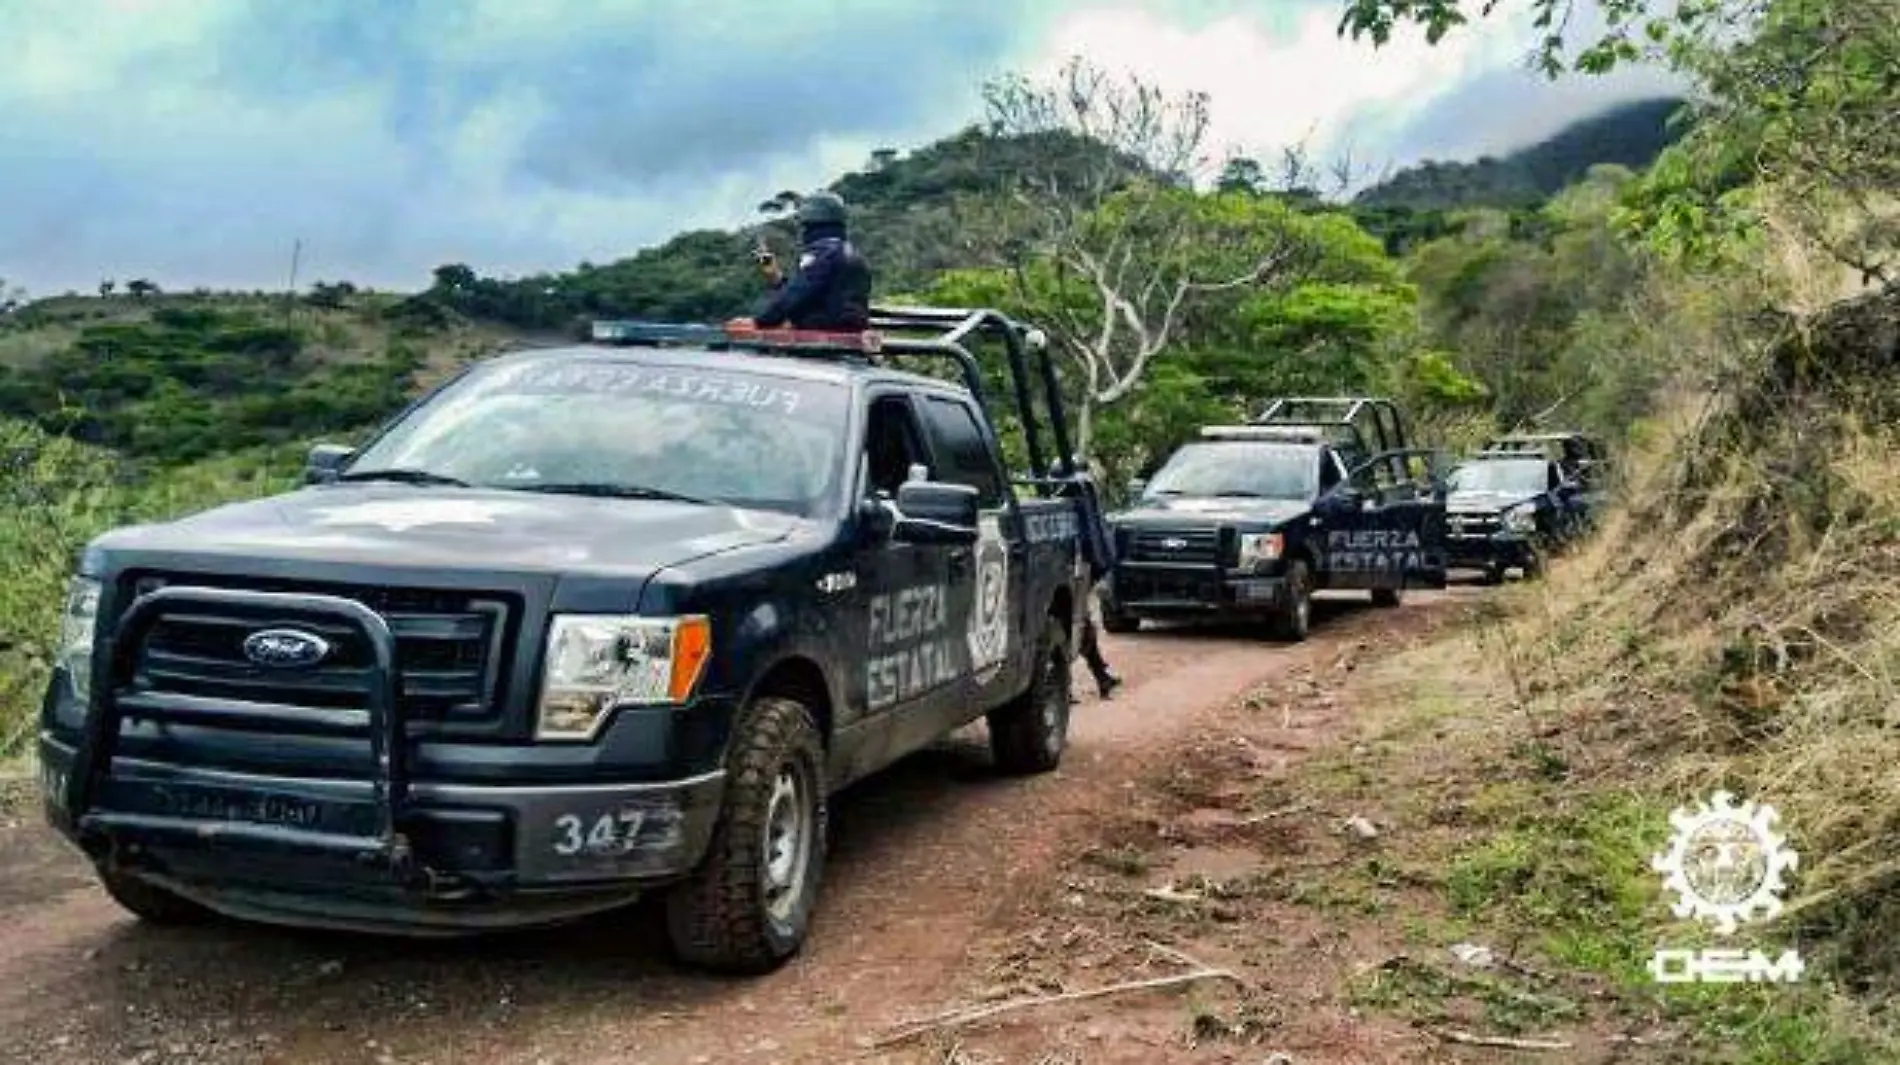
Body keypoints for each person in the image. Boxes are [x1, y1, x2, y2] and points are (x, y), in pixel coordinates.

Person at [733, 190, 873, 333]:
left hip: (825, 330)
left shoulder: (822, 253)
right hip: (850, 328)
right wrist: (776, 277)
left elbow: (797, 294)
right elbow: (816, 293)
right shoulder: (852, 253)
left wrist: (760, 321)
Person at [1066, 455, 1123, 699]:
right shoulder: (1081, 490)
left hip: (1079, 564)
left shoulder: (1075, 490)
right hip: (1077, 565)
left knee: (1077, 623)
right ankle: (1097, 676)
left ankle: (1100, 675)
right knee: (1072, 624)